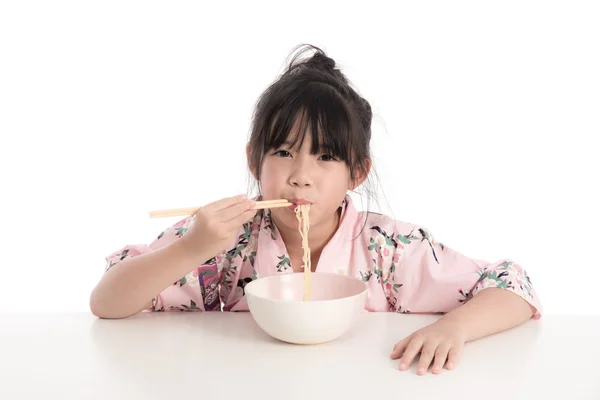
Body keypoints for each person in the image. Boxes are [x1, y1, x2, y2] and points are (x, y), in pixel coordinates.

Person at [90, 44, 542, 375]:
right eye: (284, 152)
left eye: (325, 157)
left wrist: (455, 329)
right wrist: (191, 248)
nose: (301, 175)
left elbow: (514, 288)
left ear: (357, 173)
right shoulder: (221, 237)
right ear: (254, 160)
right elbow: (107, 302)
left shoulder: (385, 247)